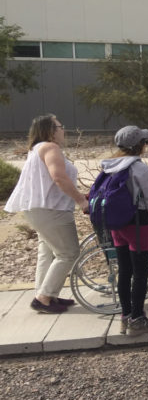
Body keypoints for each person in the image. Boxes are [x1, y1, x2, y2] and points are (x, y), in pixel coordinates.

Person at [5, 114, 88, 313]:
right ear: (50, 131)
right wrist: (80, 199)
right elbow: (58, 177)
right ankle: (43, 298)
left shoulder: (36, 149)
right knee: (68, 253)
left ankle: (46, 295)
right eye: (60, 126)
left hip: (39, 209)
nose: (63, 130)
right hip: (51, 210)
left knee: (48, 252)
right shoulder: (50, 148)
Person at [99, 126, 148, 335]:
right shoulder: (140, 169)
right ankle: (138, 319)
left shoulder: (109, 165)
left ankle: (125, 317)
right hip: (138, 223)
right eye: (145, 142)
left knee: (124, 271)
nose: (146, 145)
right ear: (139, 146)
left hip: (116, 224)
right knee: (141, 271)